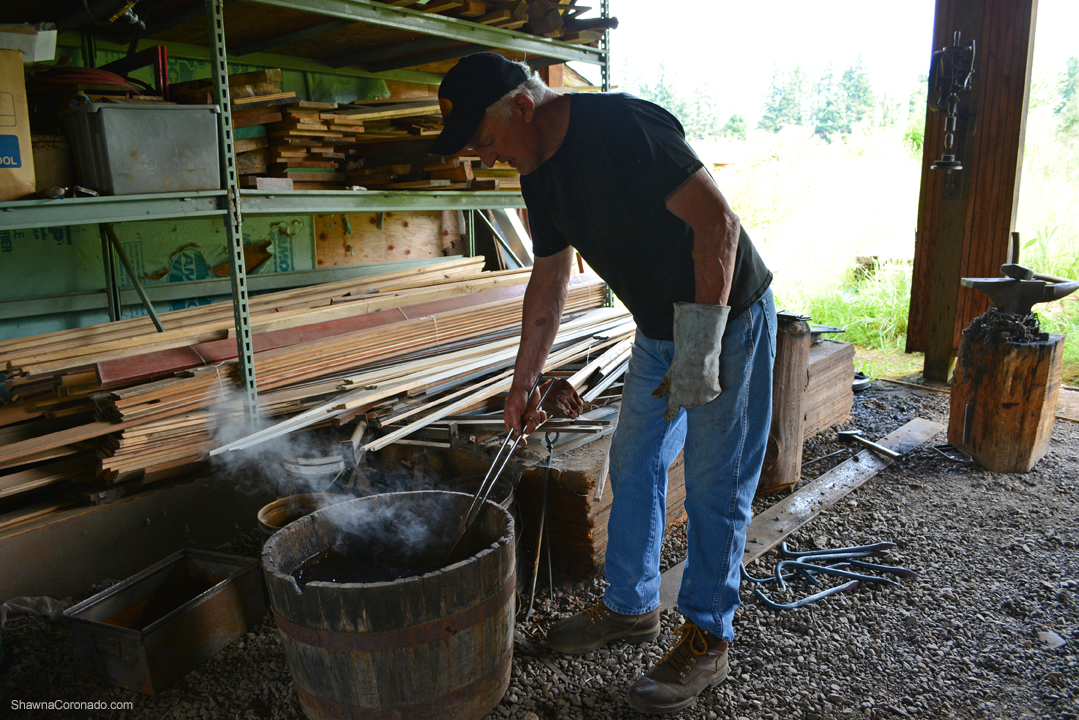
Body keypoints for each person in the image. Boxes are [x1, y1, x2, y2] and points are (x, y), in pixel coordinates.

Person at [431, 53, 776, 715]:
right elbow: (549, 282)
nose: (490, 156)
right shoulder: (539, 173)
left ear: (522, 108)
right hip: (657, 326)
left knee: (712, 479)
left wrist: (700, 348)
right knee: (634, 459)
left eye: (488, 141)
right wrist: (521, 383)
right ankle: (629, 607)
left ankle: (708, 635)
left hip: (723, 317)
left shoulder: (620, 127)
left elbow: (717, 224)